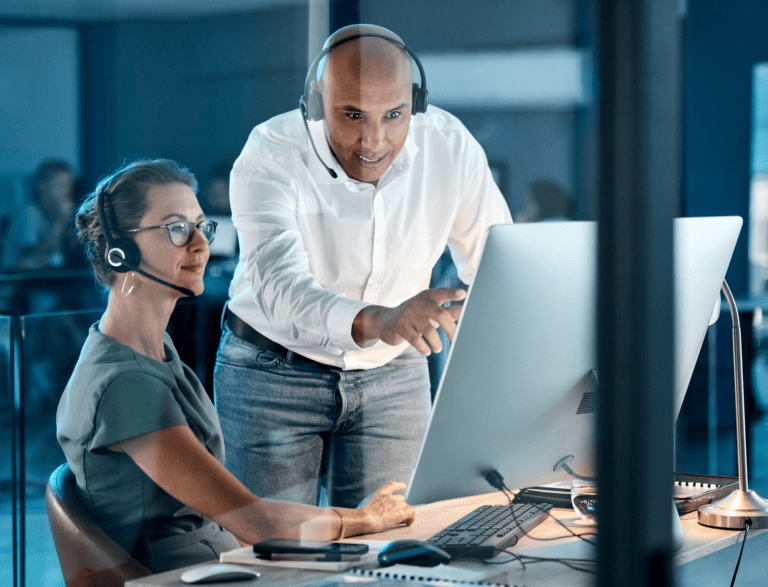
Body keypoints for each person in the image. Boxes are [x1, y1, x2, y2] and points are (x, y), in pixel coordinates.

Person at [56, 159, 415, 574]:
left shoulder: (149, 351)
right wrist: (364, 519)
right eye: (176, 228)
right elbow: (253, 521)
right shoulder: (127, 385)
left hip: (218, 564)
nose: (200, 244)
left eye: (201, 226)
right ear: (121, 253)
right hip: (184, 579)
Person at [214, 24, 512, 509]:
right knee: (274, 555)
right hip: (271, 371)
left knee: (388, 548)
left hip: (394, 371)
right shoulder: (270, 154)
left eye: (394, 115)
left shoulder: (450, 148)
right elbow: (281, 288)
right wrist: (383, 318)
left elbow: (500, 263)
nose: (374, 141)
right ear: (314, 103)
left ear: (415, 104)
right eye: (352, 115)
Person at [1, 158, 82, 271]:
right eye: (61, 186)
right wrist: (60, 223)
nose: (66, 193)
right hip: (18, 285)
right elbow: (28, 261)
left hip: (42, 283)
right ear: (41, 186)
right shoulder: (29, 214)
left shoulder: (50, 216)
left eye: (69, 186)